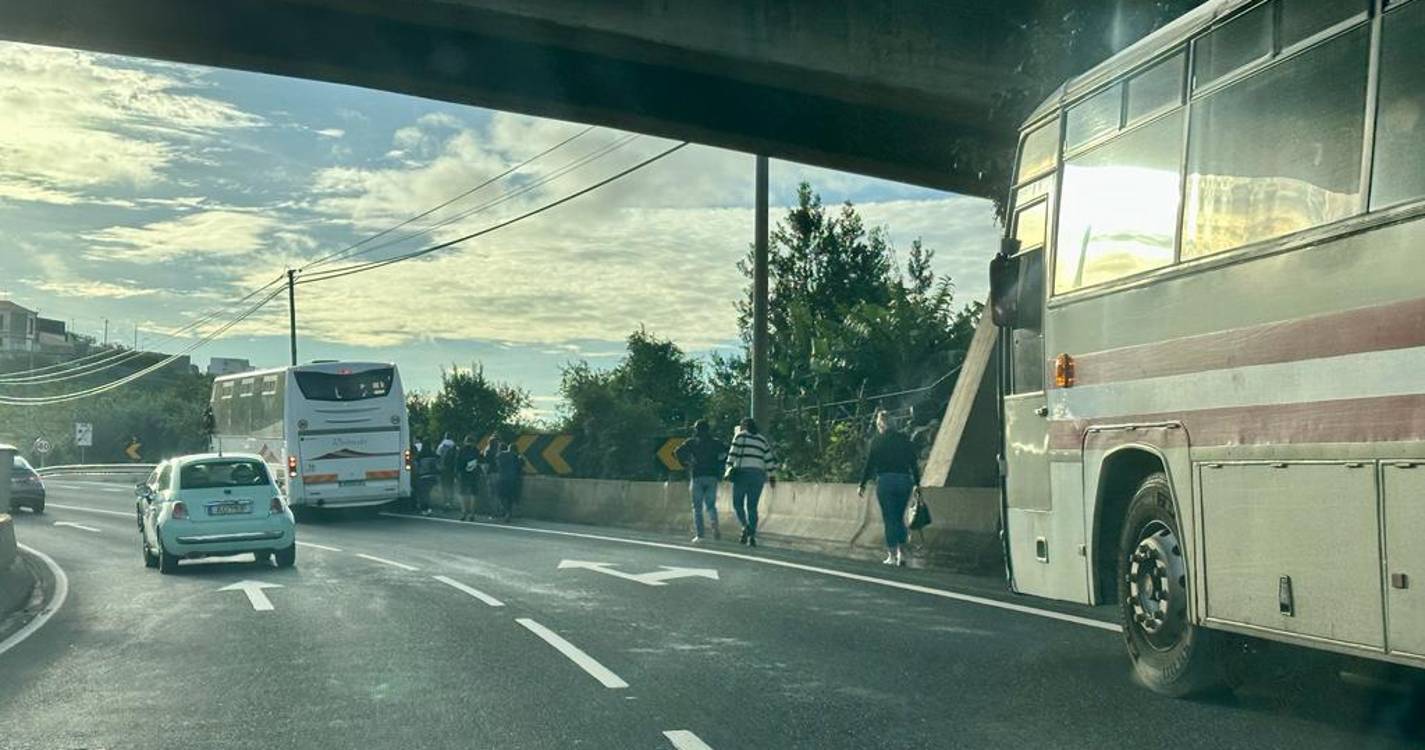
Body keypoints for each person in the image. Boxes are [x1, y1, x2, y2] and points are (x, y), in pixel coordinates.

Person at [857, 409, 921, 566]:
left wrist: (862, 484)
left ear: (880, 424)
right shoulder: (904, 439)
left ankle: (892, 554)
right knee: (899, 517)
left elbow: (870, 464)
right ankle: (902, 554)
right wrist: (917, 483)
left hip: (886, 481)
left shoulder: (877, 441)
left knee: (889, 518)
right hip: (904, 481)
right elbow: (913, 463)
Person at [725, 417, 777, 547]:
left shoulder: (740, 436)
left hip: (743, 473)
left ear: (744, 426)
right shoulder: (762, 439)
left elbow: (732, 454)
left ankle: (745, 526)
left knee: (737, 503)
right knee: (752, 507)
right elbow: (769, 459)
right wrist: (772, 476)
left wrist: (728, 469)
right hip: (758, 475)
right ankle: (752, 535)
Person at [675, 420, 727, 543]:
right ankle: (714, 525)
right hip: (712, 476)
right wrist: (720, 464)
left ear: (696, 429)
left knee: (697, 507)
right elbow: (727, 451)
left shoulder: (692, 442)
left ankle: (700, 535)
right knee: (711, 505)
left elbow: (677, 452)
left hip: (697, 475)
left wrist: (686, 463)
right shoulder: (716, 442)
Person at [494, 442, 523, 522]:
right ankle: (508, 513)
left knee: (500, 495)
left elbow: (497, 464)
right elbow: (520, 467)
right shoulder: (517, 457)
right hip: (513, 480)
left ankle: (506, 511)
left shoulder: (500, 455)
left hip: (502, 478)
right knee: (510, 497)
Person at [456, 435, 481, 521]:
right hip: (474, 474)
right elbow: (479, 461)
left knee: (462, 493)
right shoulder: (476, 450)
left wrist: (457, 473)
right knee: (473, 494)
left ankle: (464, 512)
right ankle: (472, 514)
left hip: (463, 474)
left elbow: (457, 463)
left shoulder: (461, 450)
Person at [414, 442, 440, 516]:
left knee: (423, 494)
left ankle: (424, 508)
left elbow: (417, 467)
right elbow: (438, 466)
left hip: (423, 476)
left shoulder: (420, 456)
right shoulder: (434, 455)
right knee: (428, 493)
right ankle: (428, 508)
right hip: (432, 476)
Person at [436, 432, 458, 508]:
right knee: (451, 485)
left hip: (443, 469)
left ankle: (445, 501)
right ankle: (451, 501)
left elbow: (438, 456)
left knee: (444, 485)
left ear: (445, 437)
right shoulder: (454, 445)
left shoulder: (441, 445)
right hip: (451, 469)